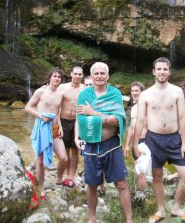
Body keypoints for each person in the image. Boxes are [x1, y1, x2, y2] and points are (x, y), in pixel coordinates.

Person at [133, 57, 185, 223]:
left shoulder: (177, 91)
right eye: (159, 69)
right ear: (153, 71)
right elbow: (139, 121)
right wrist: (135, 144)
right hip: (153, 139)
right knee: (157, 176)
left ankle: (177, 207)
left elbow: (182, 119)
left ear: (169, 72)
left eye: (165, 69)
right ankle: (160, 210)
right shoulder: (145, 94)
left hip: (175, 139)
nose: (162, 72)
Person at [76, 62, 133, 223]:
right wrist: (105, 117)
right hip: (91, 146)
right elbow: (82, 121)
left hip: (111, 145)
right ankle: (92, 219)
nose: (100, 76)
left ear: (108, 76)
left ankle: (130, 220)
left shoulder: (115, 93)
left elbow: (118, 120)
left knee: (121, 183)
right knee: (92, 185)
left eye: (103, 73)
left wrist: (92, 113)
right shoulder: (84, 95)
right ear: (91, 76)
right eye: (96, 74)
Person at [25, 67, 68, 200]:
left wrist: (60, 126)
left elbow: (57, 112)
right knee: (40, 161)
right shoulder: (41, 91)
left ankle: (58, 179)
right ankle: (42, 189)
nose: (56, 79)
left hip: (54, 128)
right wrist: (40, 116)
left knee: (64, 158)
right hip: (42, 126)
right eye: (54, 76)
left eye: (59, 77)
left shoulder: (60, 95)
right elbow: (27, 107)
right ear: (49, 78)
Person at [56, 66, 85, 187]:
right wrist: (58, 124)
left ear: (82, 75)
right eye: (75, 74)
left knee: (76, 150)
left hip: (78, 122)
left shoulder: (85, 89)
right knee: (65, 150)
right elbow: (55, 105)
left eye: (80, 74)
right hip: (63, 121)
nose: (77, 76)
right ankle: (66, 174)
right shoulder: (63, 87)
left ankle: (72, 176)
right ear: (71, 74)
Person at [124, 81, 151, 191]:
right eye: (132, 91)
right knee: (138, 171)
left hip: (146, 141)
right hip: (136, 142)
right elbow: (131, 127)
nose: (134, 93)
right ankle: (142, 195)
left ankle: (144, 197)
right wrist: (127, 145)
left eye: (137, 91)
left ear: (142, 92)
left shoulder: (148, 107)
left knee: (142, 173)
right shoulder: (134, 108)